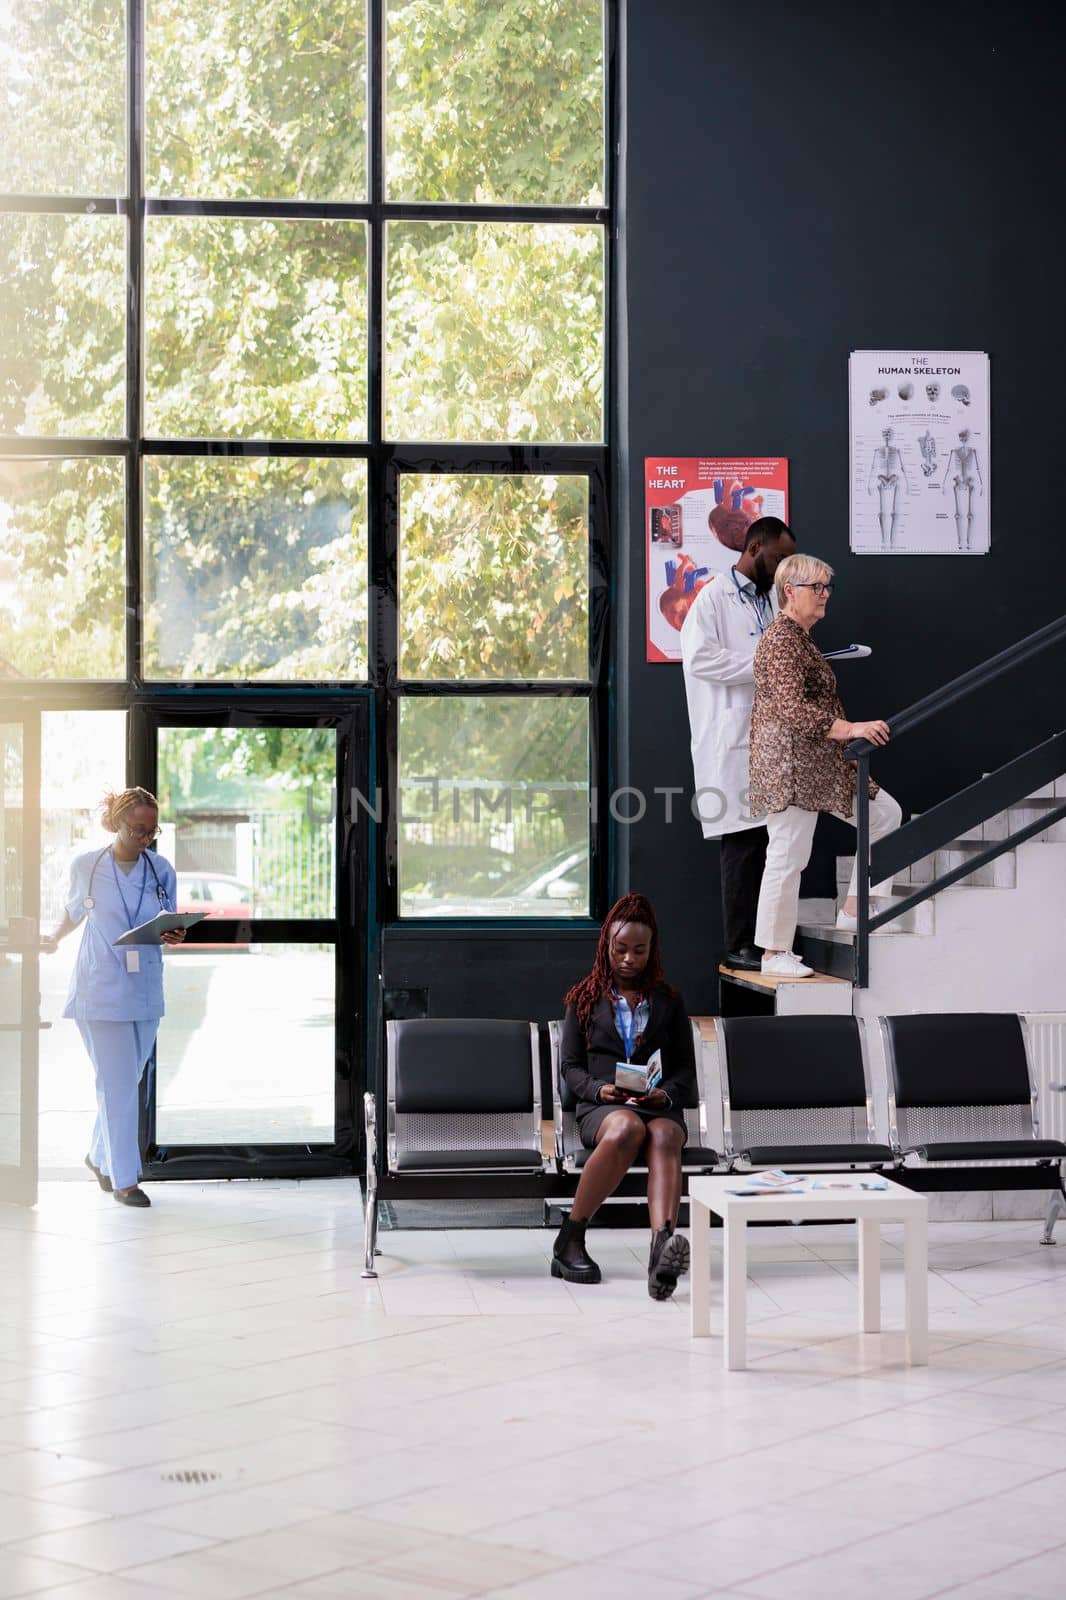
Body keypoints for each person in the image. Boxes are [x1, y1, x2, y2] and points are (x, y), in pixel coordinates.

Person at [749, 554, 902, 978]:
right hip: (792, 767)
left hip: (819, 763)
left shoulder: (800, 638)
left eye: (826, 587)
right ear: (789, 591)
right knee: (787, 854)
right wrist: (852, 727)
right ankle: (773, 953)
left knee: (885, 814)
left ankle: (855, 908)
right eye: (816, 587)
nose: (824, 595)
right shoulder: (782, 639)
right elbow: (791, 710)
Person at [43, 787, 185, 1206]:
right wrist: (53, 936)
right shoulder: (87, 865)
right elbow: (74, 910)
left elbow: (167, 919)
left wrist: (175, 933)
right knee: (118, 1083)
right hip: (99, 987)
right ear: (116, 823)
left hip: (143, 989)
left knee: (127, 1082)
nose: (145, 838)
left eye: (151, 831)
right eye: (137, 829)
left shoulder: (161, 869)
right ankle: (124, 1180)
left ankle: (98, 1154)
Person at [552, 893, 697, 1300]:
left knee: (667, 1136)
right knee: (626, 1127)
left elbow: (685, 1068)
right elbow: (570, 1068)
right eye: (621, 949)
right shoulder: (584, 999)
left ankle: (661, 1250)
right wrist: (600, 1089)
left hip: (657, 1106)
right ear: (606, 946)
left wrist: (664, 1093)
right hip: (603, 1108)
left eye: (639, 950)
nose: (629, 959)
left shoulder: (668, 1000)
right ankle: (571, 1238)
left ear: (652, 951)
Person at [680, 516, 797, 970]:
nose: (785, 567)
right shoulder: (711, 599)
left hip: (770, 737)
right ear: (755, 549)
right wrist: (763, 663)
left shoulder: (772, 599)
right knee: (742, 843)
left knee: (773, 842)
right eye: (781, 557)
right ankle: (737, 945)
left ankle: (766, 942)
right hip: (731, 740)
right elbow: (700, 659)